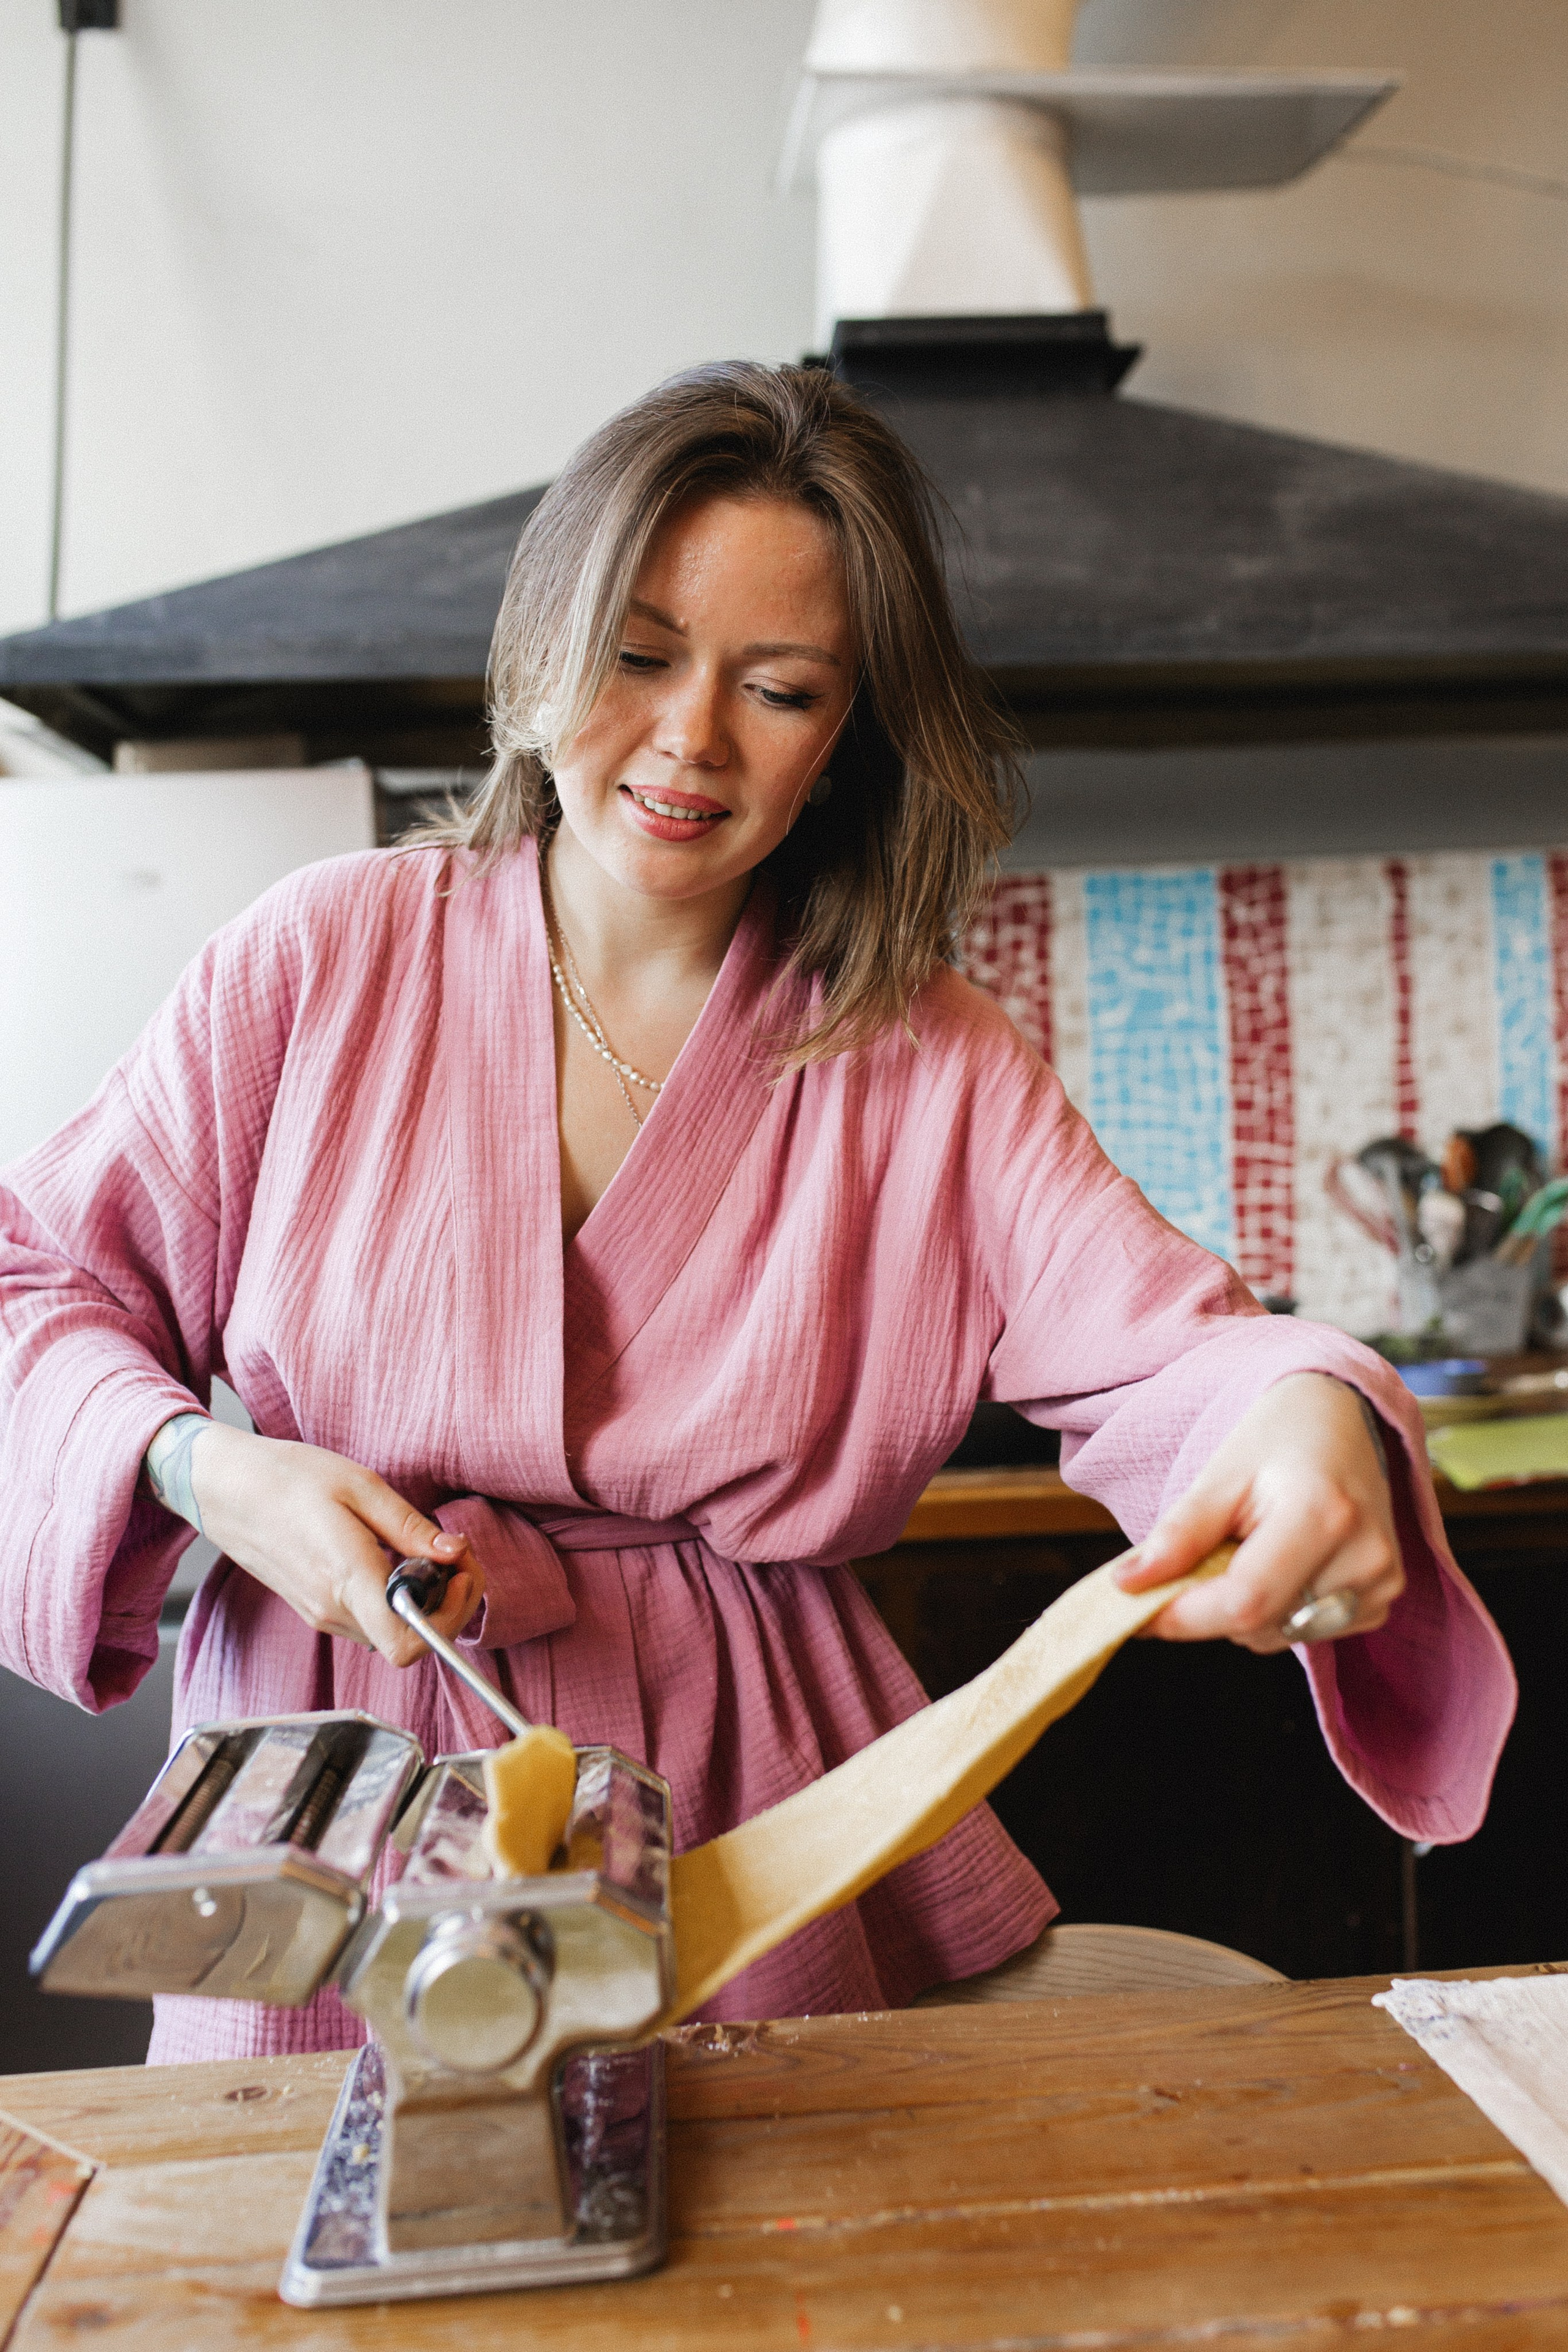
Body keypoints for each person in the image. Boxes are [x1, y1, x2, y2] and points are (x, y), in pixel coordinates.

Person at [0, 364, 1513, 2065]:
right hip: (330, 1798)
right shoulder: (318, 957)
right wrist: (214, 1472)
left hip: (751, 1814)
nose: (691, 740)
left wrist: (1312, 1425)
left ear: (850, 733)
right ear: (545, 647)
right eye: (641, 657)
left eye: (779, 688)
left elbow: (1179, 1355)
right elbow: (30, 1282)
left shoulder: (921, 1053)